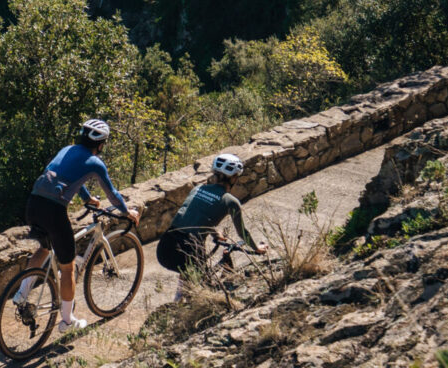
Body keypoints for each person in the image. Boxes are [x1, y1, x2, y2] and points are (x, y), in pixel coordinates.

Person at [15, 118, 139, 331]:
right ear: (101, 144)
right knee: (68, 267)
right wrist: (127, 212)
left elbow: (69, 176)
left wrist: (87, 198)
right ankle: (67, 321)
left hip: (33, 203)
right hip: (54, 211)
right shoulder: (95, 163)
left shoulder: (67, 149)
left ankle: (21, 294)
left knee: (45, 248)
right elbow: (112, 194)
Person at [156, 152, 267, 286]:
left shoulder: (198, 188)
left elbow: (195, 215)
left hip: (165, 246)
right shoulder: (231, 201)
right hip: (189, 250)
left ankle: (180, 299)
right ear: (234, 178)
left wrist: (215, 233)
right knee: (203, 288)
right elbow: (242, 232)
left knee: (188, 278)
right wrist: (257, 248)